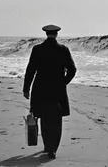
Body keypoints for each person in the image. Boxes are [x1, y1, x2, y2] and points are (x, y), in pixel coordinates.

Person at [23, 24, 76, 159]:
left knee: (44, 118)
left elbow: (31, 70)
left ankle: (47, 146)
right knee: (56, 120)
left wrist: (26, 88)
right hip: (57, 90)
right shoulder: (63, 49)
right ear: (56, 34)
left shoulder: (37, 49)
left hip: (40, 88)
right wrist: (63, 82)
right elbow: (72, 69)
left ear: (46, 34)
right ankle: (53, 149)